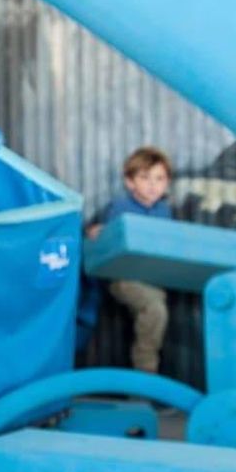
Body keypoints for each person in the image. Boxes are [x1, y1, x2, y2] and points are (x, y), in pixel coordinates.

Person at [85, 146, 173, 374]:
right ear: (130, 182)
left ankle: (146, 378)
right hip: (124, 278)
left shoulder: (165, 211)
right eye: (144, 178)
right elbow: (105, 238)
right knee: (155, 310)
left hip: (153, 279)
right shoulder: (120, 208)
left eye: (159, 179)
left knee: (155, 318)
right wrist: (99, 232)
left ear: (167, 184)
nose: (153, 185)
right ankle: (146, 376)